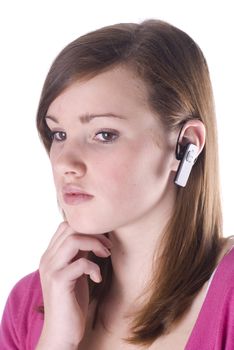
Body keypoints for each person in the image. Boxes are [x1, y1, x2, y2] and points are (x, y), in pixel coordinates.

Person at [0, 18, 234, 350]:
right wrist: (54, 342)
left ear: (186, 146)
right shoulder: (31, 305)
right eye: (59, 134)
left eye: (104, 134)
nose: (65, 162)